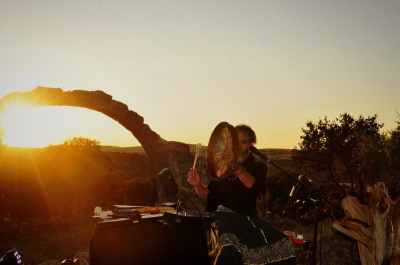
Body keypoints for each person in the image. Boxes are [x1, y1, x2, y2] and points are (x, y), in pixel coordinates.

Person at [187, 124, 296, 265]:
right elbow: (206, 195)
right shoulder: (221, 170)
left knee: (284, 244)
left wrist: (234, 164)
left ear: (251, 145)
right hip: (223, 220)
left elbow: (252, 185)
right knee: (228, 250)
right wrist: (198, 185)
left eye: (243, 142)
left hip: (248, 221)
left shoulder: (259, 167)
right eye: (234, 141)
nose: (237, 146)